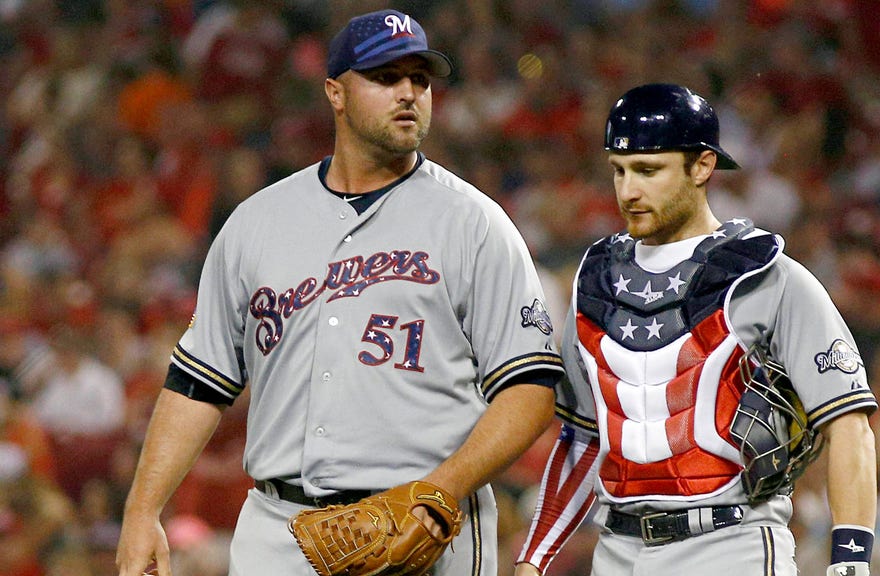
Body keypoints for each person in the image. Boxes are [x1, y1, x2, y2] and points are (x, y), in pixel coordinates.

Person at [115, 9, 563, 576]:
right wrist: (142, 510)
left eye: (419, 79)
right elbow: (197, 384)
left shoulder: (475, 223)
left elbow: (529, 389)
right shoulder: (258, 221)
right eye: (384, 77)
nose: (408, 93)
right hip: (278, 530)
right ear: (336, 92)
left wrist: (441, 491)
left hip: (423, 525)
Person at [513, 84, 878, 576]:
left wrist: (850, 565)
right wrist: (534, 559)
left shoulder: (767, 274)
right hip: (617, 549)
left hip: (731, 545)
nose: (628, 190)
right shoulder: (595, 278)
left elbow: (849, 424)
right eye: (619, 171)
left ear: (703, 165)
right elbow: (581, 437)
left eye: (648, 170)